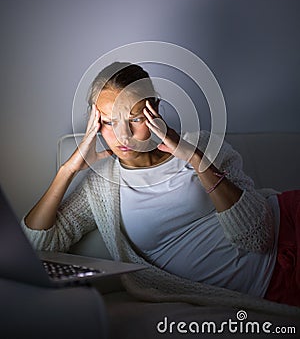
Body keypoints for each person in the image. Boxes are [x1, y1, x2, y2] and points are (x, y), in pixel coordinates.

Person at [22, 62, 300, 312]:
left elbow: (256, 236)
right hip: (272, 283)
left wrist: (194, 157)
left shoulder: (200, 146)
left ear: (154, 110)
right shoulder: (102, 187)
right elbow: (37, 244)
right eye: (108, 122)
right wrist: (66, 171)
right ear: (94, 123)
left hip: (289, 221)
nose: (123, 134)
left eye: (134, 120)